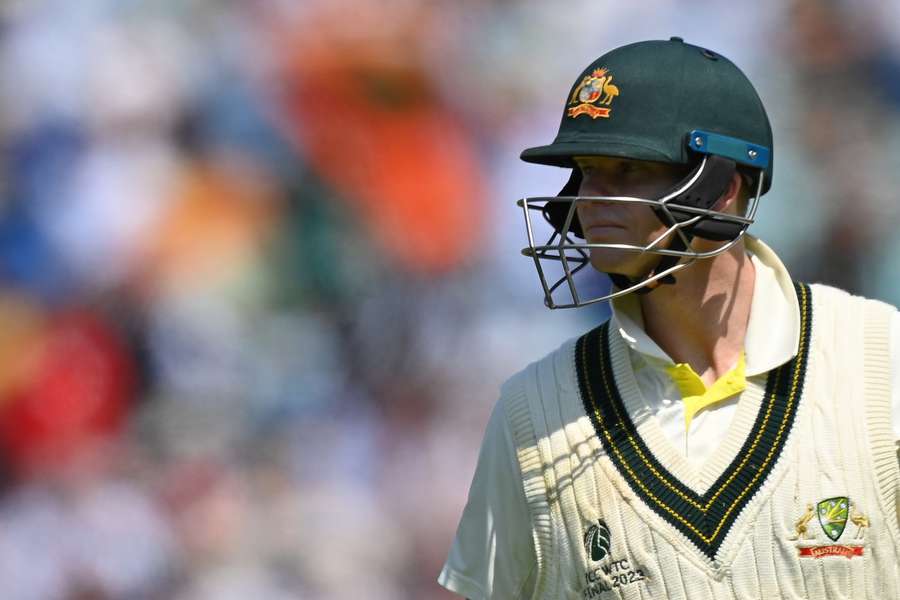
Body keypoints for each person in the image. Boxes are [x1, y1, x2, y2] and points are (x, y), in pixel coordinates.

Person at [438, 38, 900, 600]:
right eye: (586, 170)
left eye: (626, 170)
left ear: (724, 188)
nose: (590, 199)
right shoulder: (531, 412)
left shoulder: (881, 358)